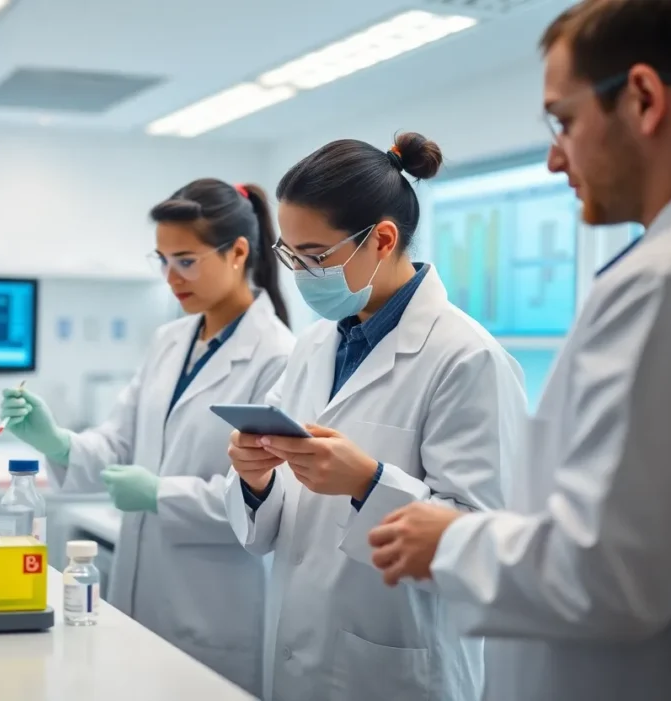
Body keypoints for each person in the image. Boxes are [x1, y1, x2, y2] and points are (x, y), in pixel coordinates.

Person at [367, 2, 671, 700]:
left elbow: (612, 572)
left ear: (644, 99)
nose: (555, 157)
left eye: (564, 122)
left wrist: (449, 540)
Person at [223, 133, 529, 701]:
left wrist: (368, 482)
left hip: (398, 667)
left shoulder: (468, 359)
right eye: (292, 256)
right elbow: (278, 522)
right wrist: (254, 477)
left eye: (316, 256)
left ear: (382, 240)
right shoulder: (314, 346)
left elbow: (486, 546)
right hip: (300, 650)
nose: (302, 273)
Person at [0, 178, 295, 695]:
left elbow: (265, 501)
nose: (170, 278)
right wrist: (57, 442)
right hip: (141, 597)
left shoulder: (277, 355)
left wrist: (160, 494)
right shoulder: (170, 339)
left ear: (237, 253)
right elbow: (118, 442)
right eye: (162, 260)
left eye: (186, 261)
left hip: (214, 610)